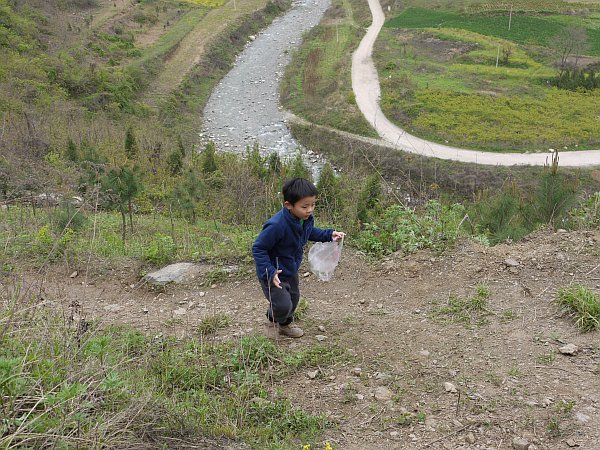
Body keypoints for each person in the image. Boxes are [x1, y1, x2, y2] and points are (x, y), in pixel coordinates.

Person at [252, 177, 345, 338]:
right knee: (282, 303)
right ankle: (272, 321)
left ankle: (285, 325)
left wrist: (329, 234)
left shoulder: (304, 220)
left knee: (294, 299)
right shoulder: (277, 225)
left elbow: (310, 232)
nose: (310, 210)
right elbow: (258, 247)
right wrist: (269, 271)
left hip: (291, 268)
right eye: (305, 206)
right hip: (275, 273)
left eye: (313, 205)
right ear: (288, 205)